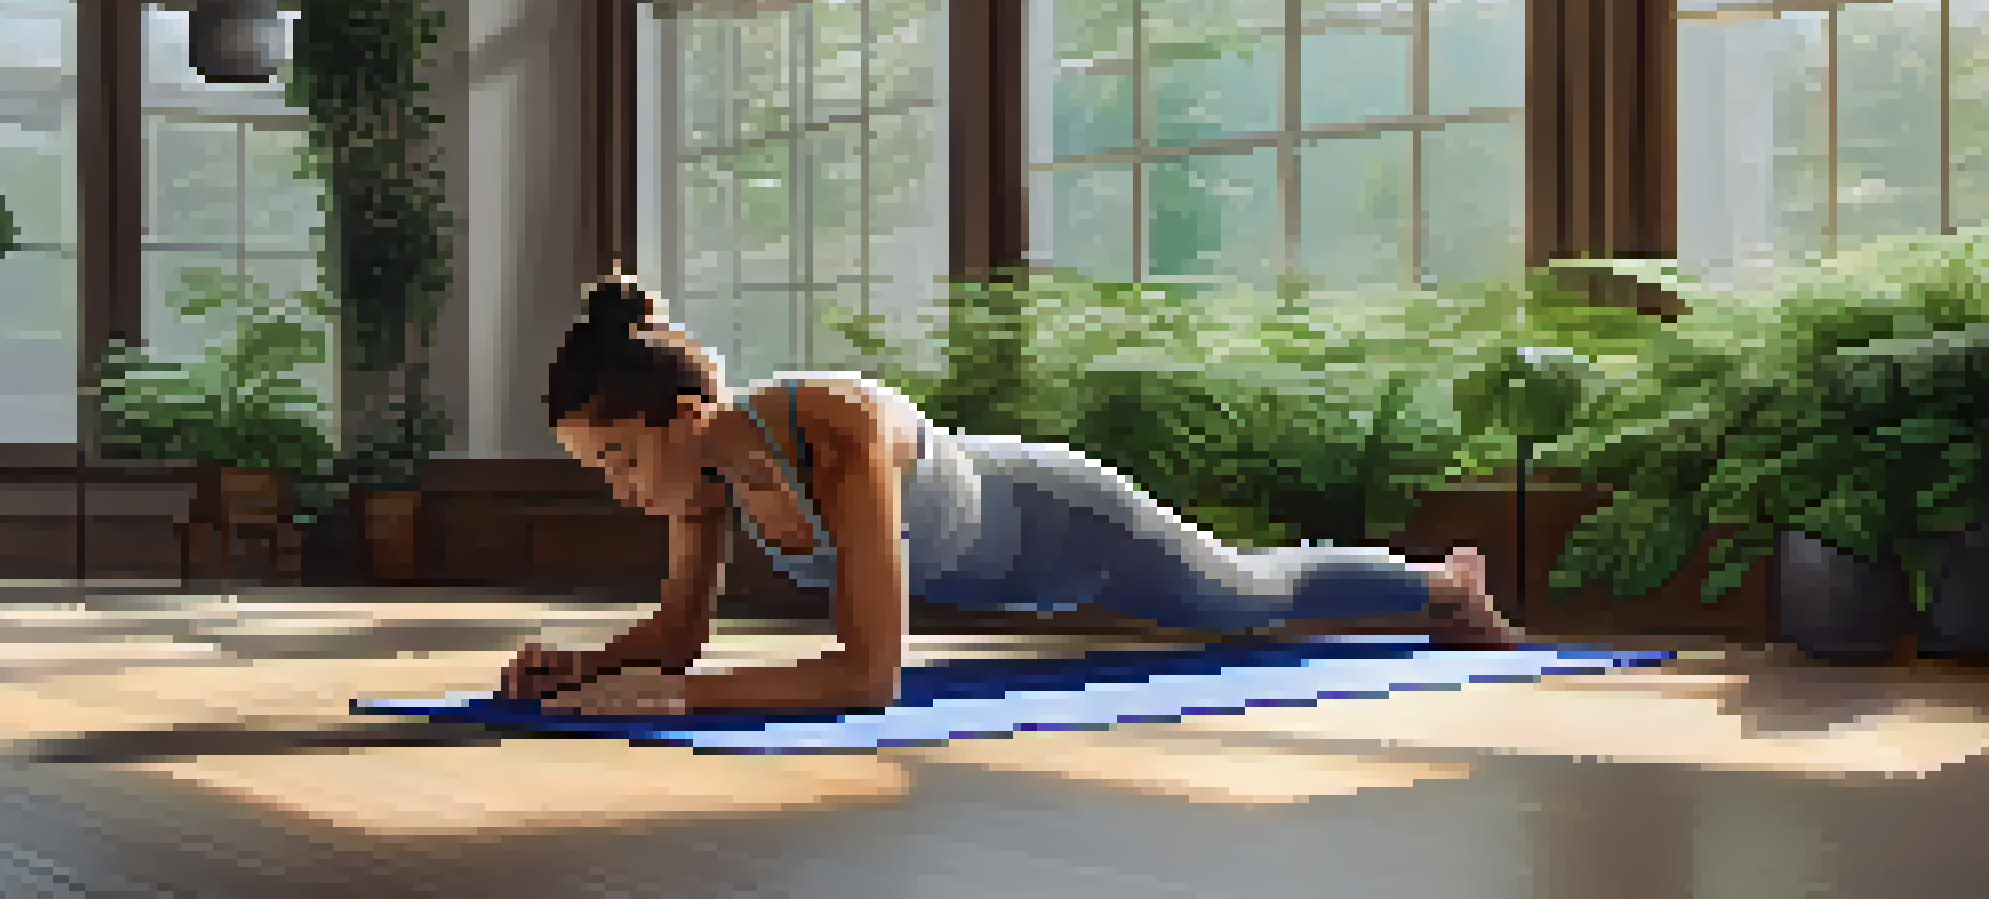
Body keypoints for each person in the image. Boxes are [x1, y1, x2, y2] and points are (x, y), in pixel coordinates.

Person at [502, 270, 1521, 717]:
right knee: (1237, 611)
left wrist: (680, 699)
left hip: (1068, 521)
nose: (618, 489)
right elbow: (678, 633)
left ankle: (1446, 587)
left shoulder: (833, 427)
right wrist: (584, 667)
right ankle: (1435, 587)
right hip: (1013, 577)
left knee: (1244, 603)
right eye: (601, 470)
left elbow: (867, 678)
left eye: (617, 458)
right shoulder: (702, 483)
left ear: (682, 417)